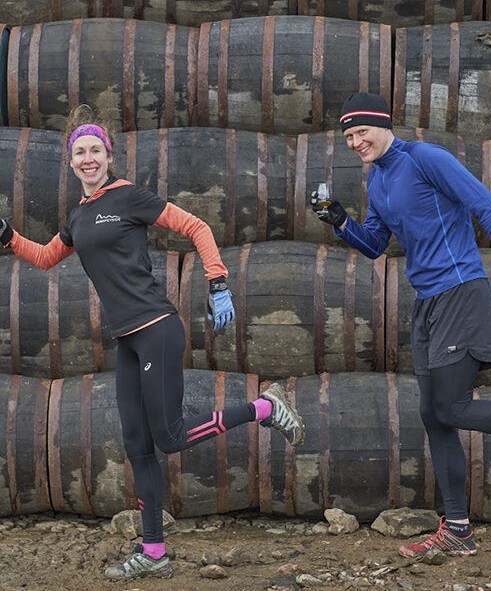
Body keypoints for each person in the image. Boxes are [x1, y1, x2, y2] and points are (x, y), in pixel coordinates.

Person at [0, 105, 306, 581]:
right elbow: (43, 258)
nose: (87, 158)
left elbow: (196, 227)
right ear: (69, 159)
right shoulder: (77, 217)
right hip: (127, 341)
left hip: (157, 327)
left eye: (95, 150)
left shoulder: (129, 198)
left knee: (171, 437)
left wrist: (218, 281)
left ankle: (265, 409)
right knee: (138, 445)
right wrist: (8, 236)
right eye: (79, 151)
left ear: (108, 154)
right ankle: (154, 552)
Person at [311, 92, 491, 558]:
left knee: (454, 407)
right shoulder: (378, 182)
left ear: (382, 125)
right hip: (427, 303)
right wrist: (340, 221)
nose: (355, 142)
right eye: (348, 137)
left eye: (361, 132)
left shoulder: (425, 158)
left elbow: (484, 204)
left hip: (462, 292)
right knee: (433, 415)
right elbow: (377, 244)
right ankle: (458, 529)